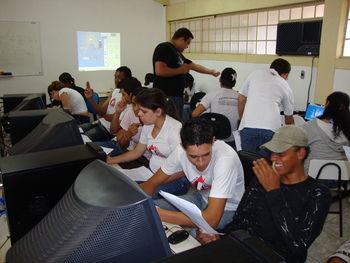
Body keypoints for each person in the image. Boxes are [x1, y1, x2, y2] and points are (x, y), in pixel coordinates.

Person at [196, 125, 332, 263]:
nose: (273, 158)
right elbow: (240, 221)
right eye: (273, 152)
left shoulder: (318, 194)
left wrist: (274, 190)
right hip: (244, 248)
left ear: (301, 153)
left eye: (281, 153)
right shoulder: (263, 179)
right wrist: (220, 237)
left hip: (276, 257)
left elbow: (298, 244)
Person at [140, 117, 245, 235]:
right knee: (148, 209)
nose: (201, 162)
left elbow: (211, 220)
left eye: (206, 154)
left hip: (229, 209)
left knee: (196, 234)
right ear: (183, 146)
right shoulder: (180, 151)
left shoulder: (225, 159)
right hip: (201, 199)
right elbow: (152, 182)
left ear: (213, 141)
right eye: (193, 156)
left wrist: (159, 214)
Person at [107, 88, 190, 198]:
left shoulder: (175, 131)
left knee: (133, 198)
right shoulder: (148, 125)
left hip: (175, 180)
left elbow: (185, 169)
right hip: (150, 173)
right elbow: (137, 152)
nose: (139, 114)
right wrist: (108, 161)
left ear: (158, 112)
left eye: (144, 111)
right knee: (118, 185)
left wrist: (152, 183)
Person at [152, 27, 220, 119]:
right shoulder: (164, 47)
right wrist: (181, 70)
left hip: (177, 97)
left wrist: (211, 72)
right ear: (181, 39)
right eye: (187, 43)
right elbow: (159, 70)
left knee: (177, 125)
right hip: (166, 96)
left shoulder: (178, 54)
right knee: (168, 125)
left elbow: (193, 66)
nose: (187, 46)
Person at [238, 58, 295, 157]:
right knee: (265, 166)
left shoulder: (255, 73)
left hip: (249, 127)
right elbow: (289, 120)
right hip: (271, 130)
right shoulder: (285, 85)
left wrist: (243, 119)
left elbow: (241, 99)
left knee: (248, 163)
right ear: (285, 74)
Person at [301, 91, 350, 175]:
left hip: (313, 177)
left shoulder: (310, 126)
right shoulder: (347, 129)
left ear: (327, 103)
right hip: (339, 179)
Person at [79, 66, 132, 141]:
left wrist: (103, 116)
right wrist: (90, 98)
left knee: (80, 140)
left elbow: (114, 117)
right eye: (115, 77)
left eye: (119, 78)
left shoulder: (127, 97)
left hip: (107, 130)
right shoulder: (115, 91)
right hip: (99, 122)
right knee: (75, 131)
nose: (116, 80)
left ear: (127, 79)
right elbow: (101, 111)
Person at [94, 86, 147, 157]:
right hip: (119, 145)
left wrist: (126, 136)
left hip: (130, 152)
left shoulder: (151, 120)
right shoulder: (130, 113)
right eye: (134, 104)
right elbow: (114, 132)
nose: (135, 108)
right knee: (87, 148)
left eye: (139, 105)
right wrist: (117, 112)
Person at [191, 67, 239, 144]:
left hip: (213, 139)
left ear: (220, 79)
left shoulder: (212, 94)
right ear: (234, 82)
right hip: (233, 140)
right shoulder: (240, 97)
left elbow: (194, 114)